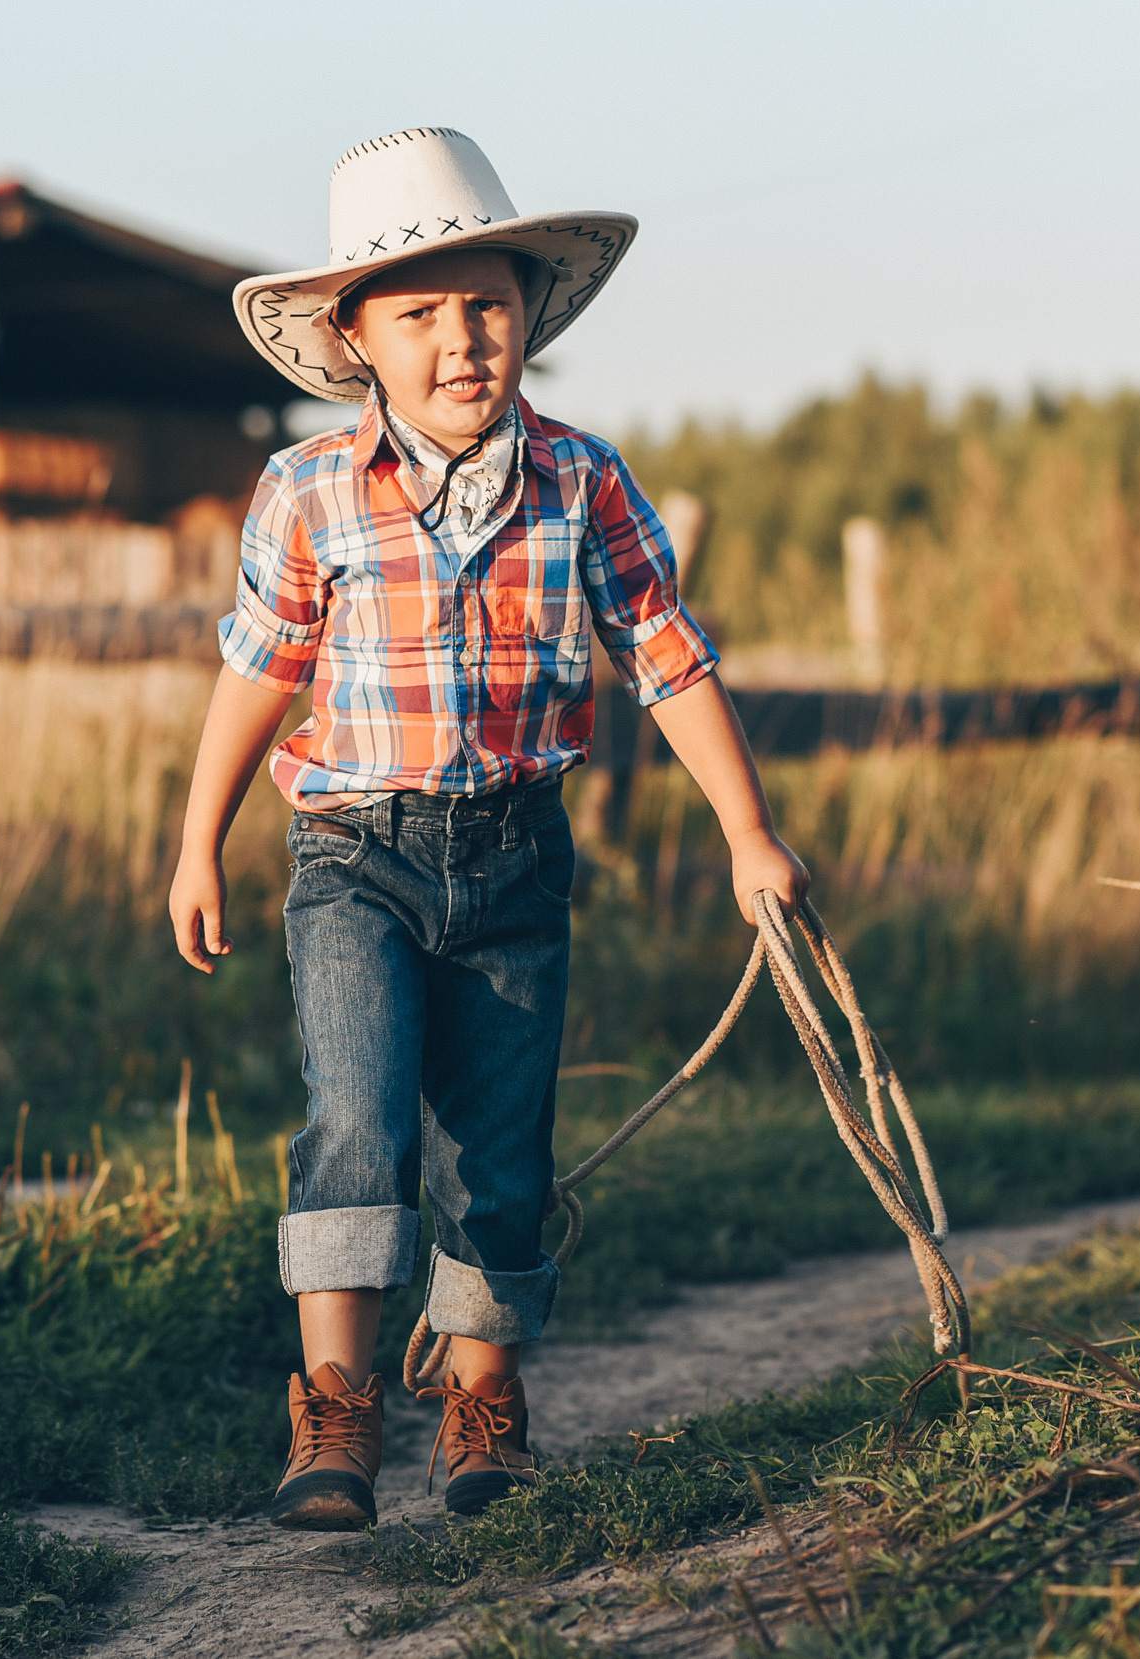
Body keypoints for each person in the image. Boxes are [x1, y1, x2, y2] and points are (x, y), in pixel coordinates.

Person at [170, 127, 807, 1530]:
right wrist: (196, 838)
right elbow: (261, 664)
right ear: (354, 340)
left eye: (489, 305)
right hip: (354, 856)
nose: (463, 339)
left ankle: (482, 1407)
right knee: (358, 1116)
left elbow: (672, 657)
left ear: (530, 317)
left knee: (498, 1157)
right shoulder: (311, 493)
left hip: (516, 862)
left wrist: (750, 835)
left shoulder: (583, 483)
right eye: (421, 313)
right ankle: (335, 1416)